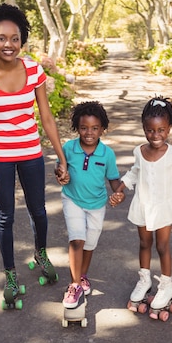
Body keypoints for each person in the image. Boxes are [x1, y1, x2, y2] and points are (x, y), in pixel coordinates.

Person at [0, 3, 70, 306]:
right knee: (5, 216)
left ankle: (41, 254)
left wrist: (61, 157)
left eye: (14, 38)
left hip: (31, 153)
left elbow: (47, 118)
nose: (8, 45)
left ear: (22, 40)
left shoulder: (34, 70)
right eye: (1, 38)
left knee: (39, 210)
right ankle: (10, 273)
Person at [110, 96, 172, 318]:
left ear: (169, 129)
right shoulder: (139, 151)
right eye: (151, 130)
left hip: (164, 207)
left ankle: (166, 284)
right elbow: (134, 172)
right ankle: (144, 280)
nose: (156, 135)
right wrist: (120, 189)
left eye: (161, 130)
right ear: (144, 128)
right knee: (144, 243)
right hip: (143, 205)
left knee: (162, 246)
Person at [59, 101, 122, 309]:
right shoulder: (69, 148)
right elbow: (59, 167)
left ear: (102, 129)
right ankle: (75, 284)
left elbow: (113, 179)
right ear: (77, 127)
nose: (89, 133)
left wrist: (119, 192)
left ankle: (82, 275)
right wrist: (60, 173)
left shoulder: (107, 154)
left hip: (96, 204)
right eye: (84, 127)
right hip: (72, 199)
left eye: (95, 128)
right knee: (77, 240)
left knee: (89, 244)